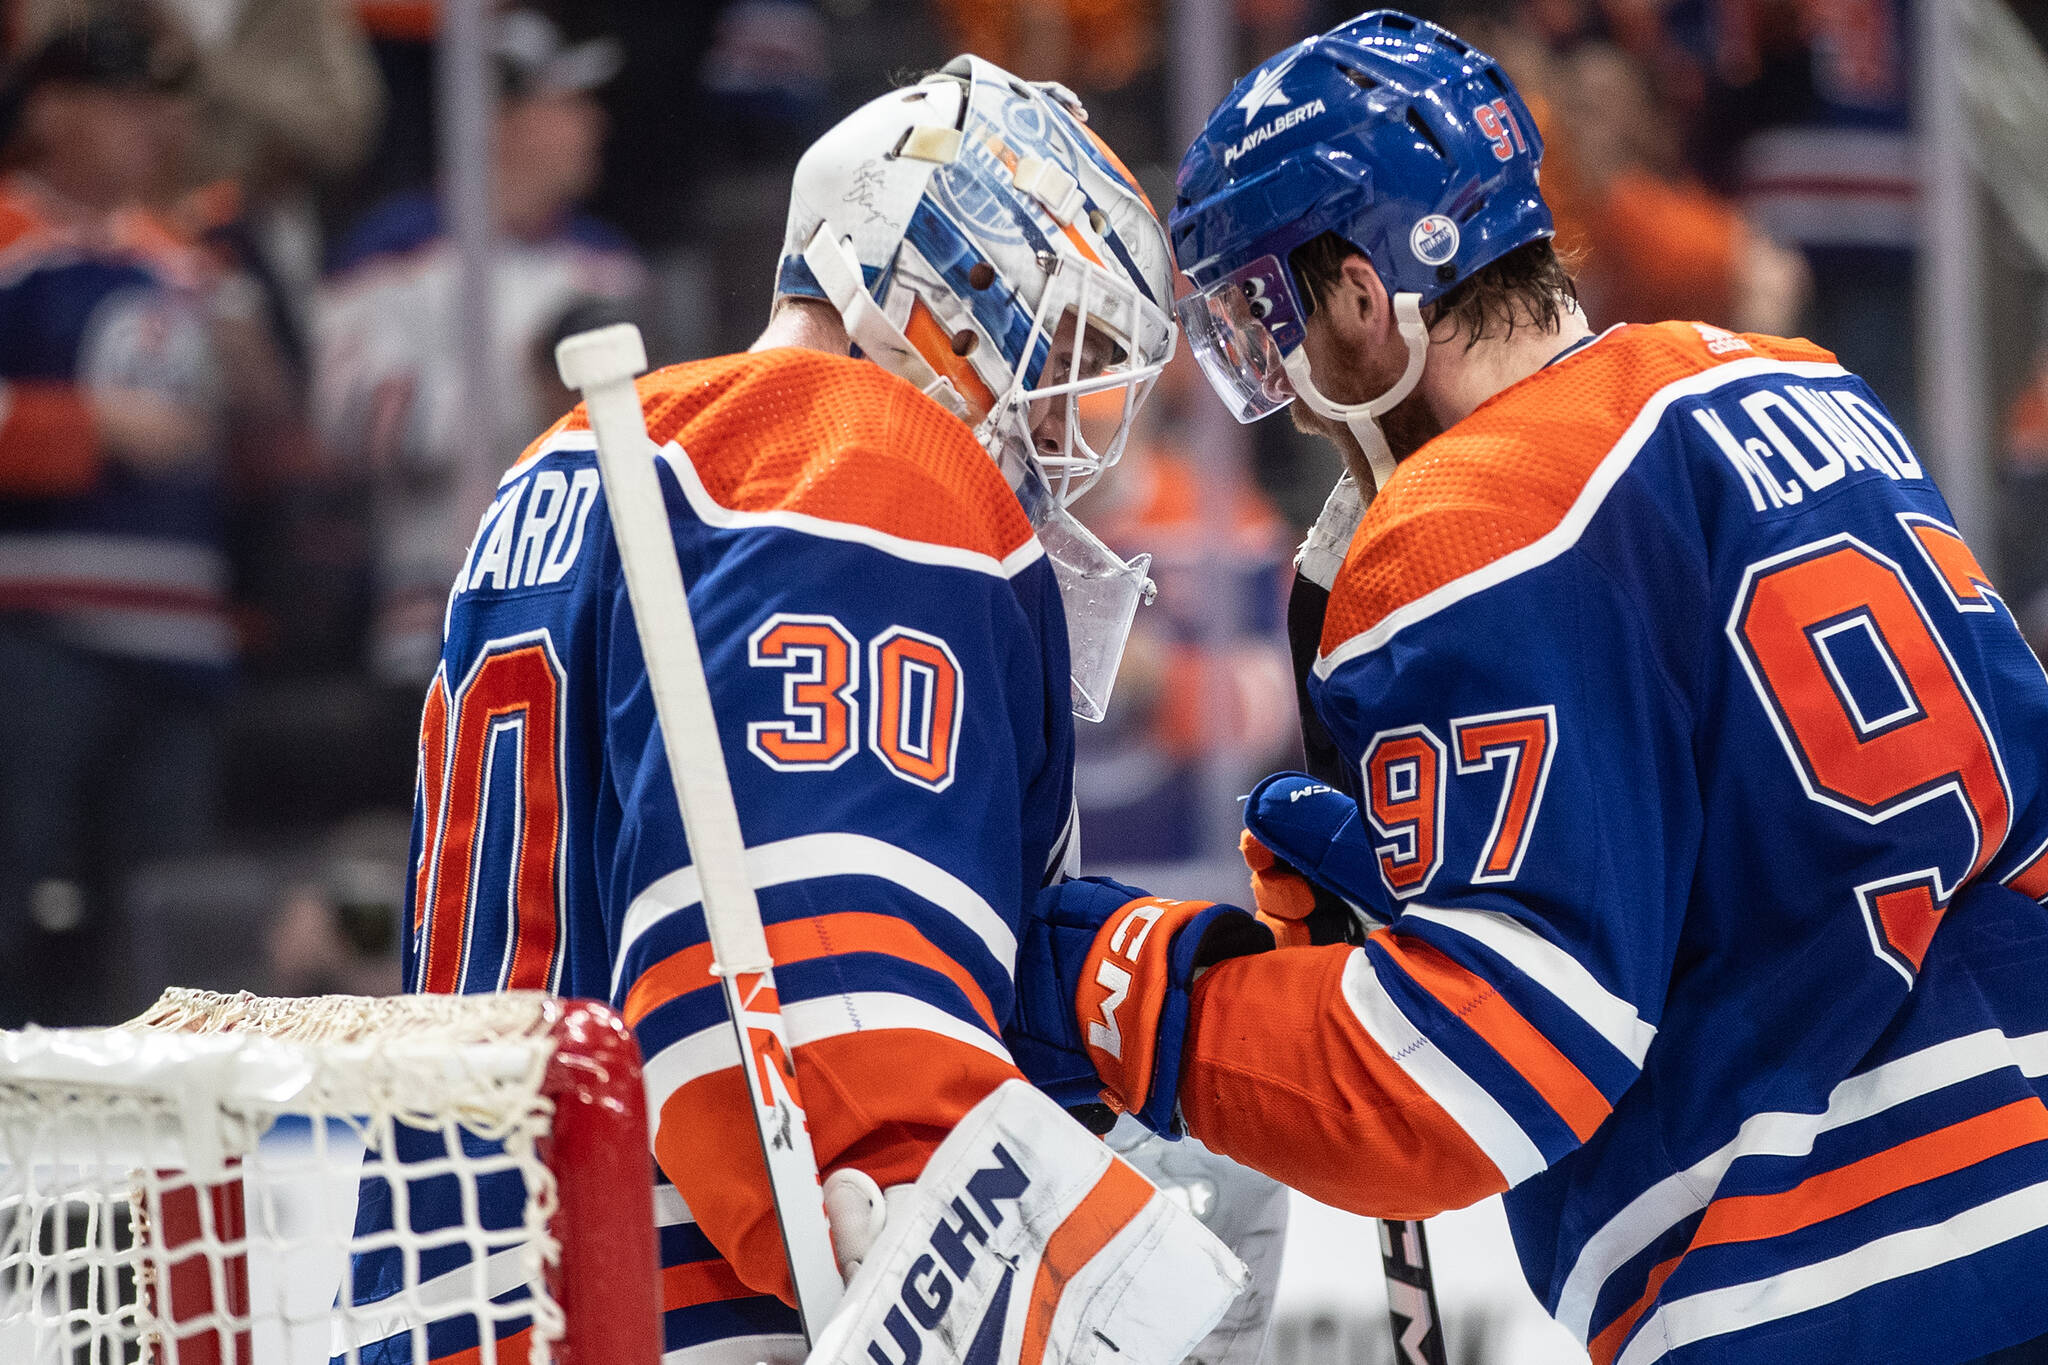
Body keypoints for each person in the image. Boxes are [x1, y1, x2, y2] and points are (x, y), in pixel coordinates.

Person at [1008, 12, 2048, 1365]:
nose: (1299, 403)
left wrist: (1125, 985)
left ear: (1365, 297)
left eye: (1273, 322)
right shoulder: (1786, 380)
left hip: (1838, 1270)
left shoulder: (1468, 523)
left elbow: (1470, 1074)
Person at [341, 56, 1248, 1365]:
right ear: (934, 281)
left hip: (455, 1288)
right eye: (1066, 343)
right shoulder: (857, 458)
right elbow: (815, 1031)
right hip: (678, 1304)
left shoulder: (570, 463)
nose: (1078, 418)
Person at [0, 3, 229, 1027]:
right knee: (22, 885)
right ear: (50, 111)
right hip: (34, 625)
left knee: (158, 919)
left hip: (182, 631)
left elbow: (263, 439)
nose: (156, 130)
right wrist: (88, 424)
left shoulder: (184, 257)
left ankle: (147, 1161)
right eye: (126, 105)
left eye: (163, 108)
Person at [313, 7, 643, 688]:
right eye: (568, 105)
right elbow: (348, 421)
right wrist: (534, 393)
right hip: (430, 596)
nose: (595, 124)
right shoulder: (391, 250)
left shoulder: (608, 264)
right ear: (498, 118)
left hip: (595, 588)